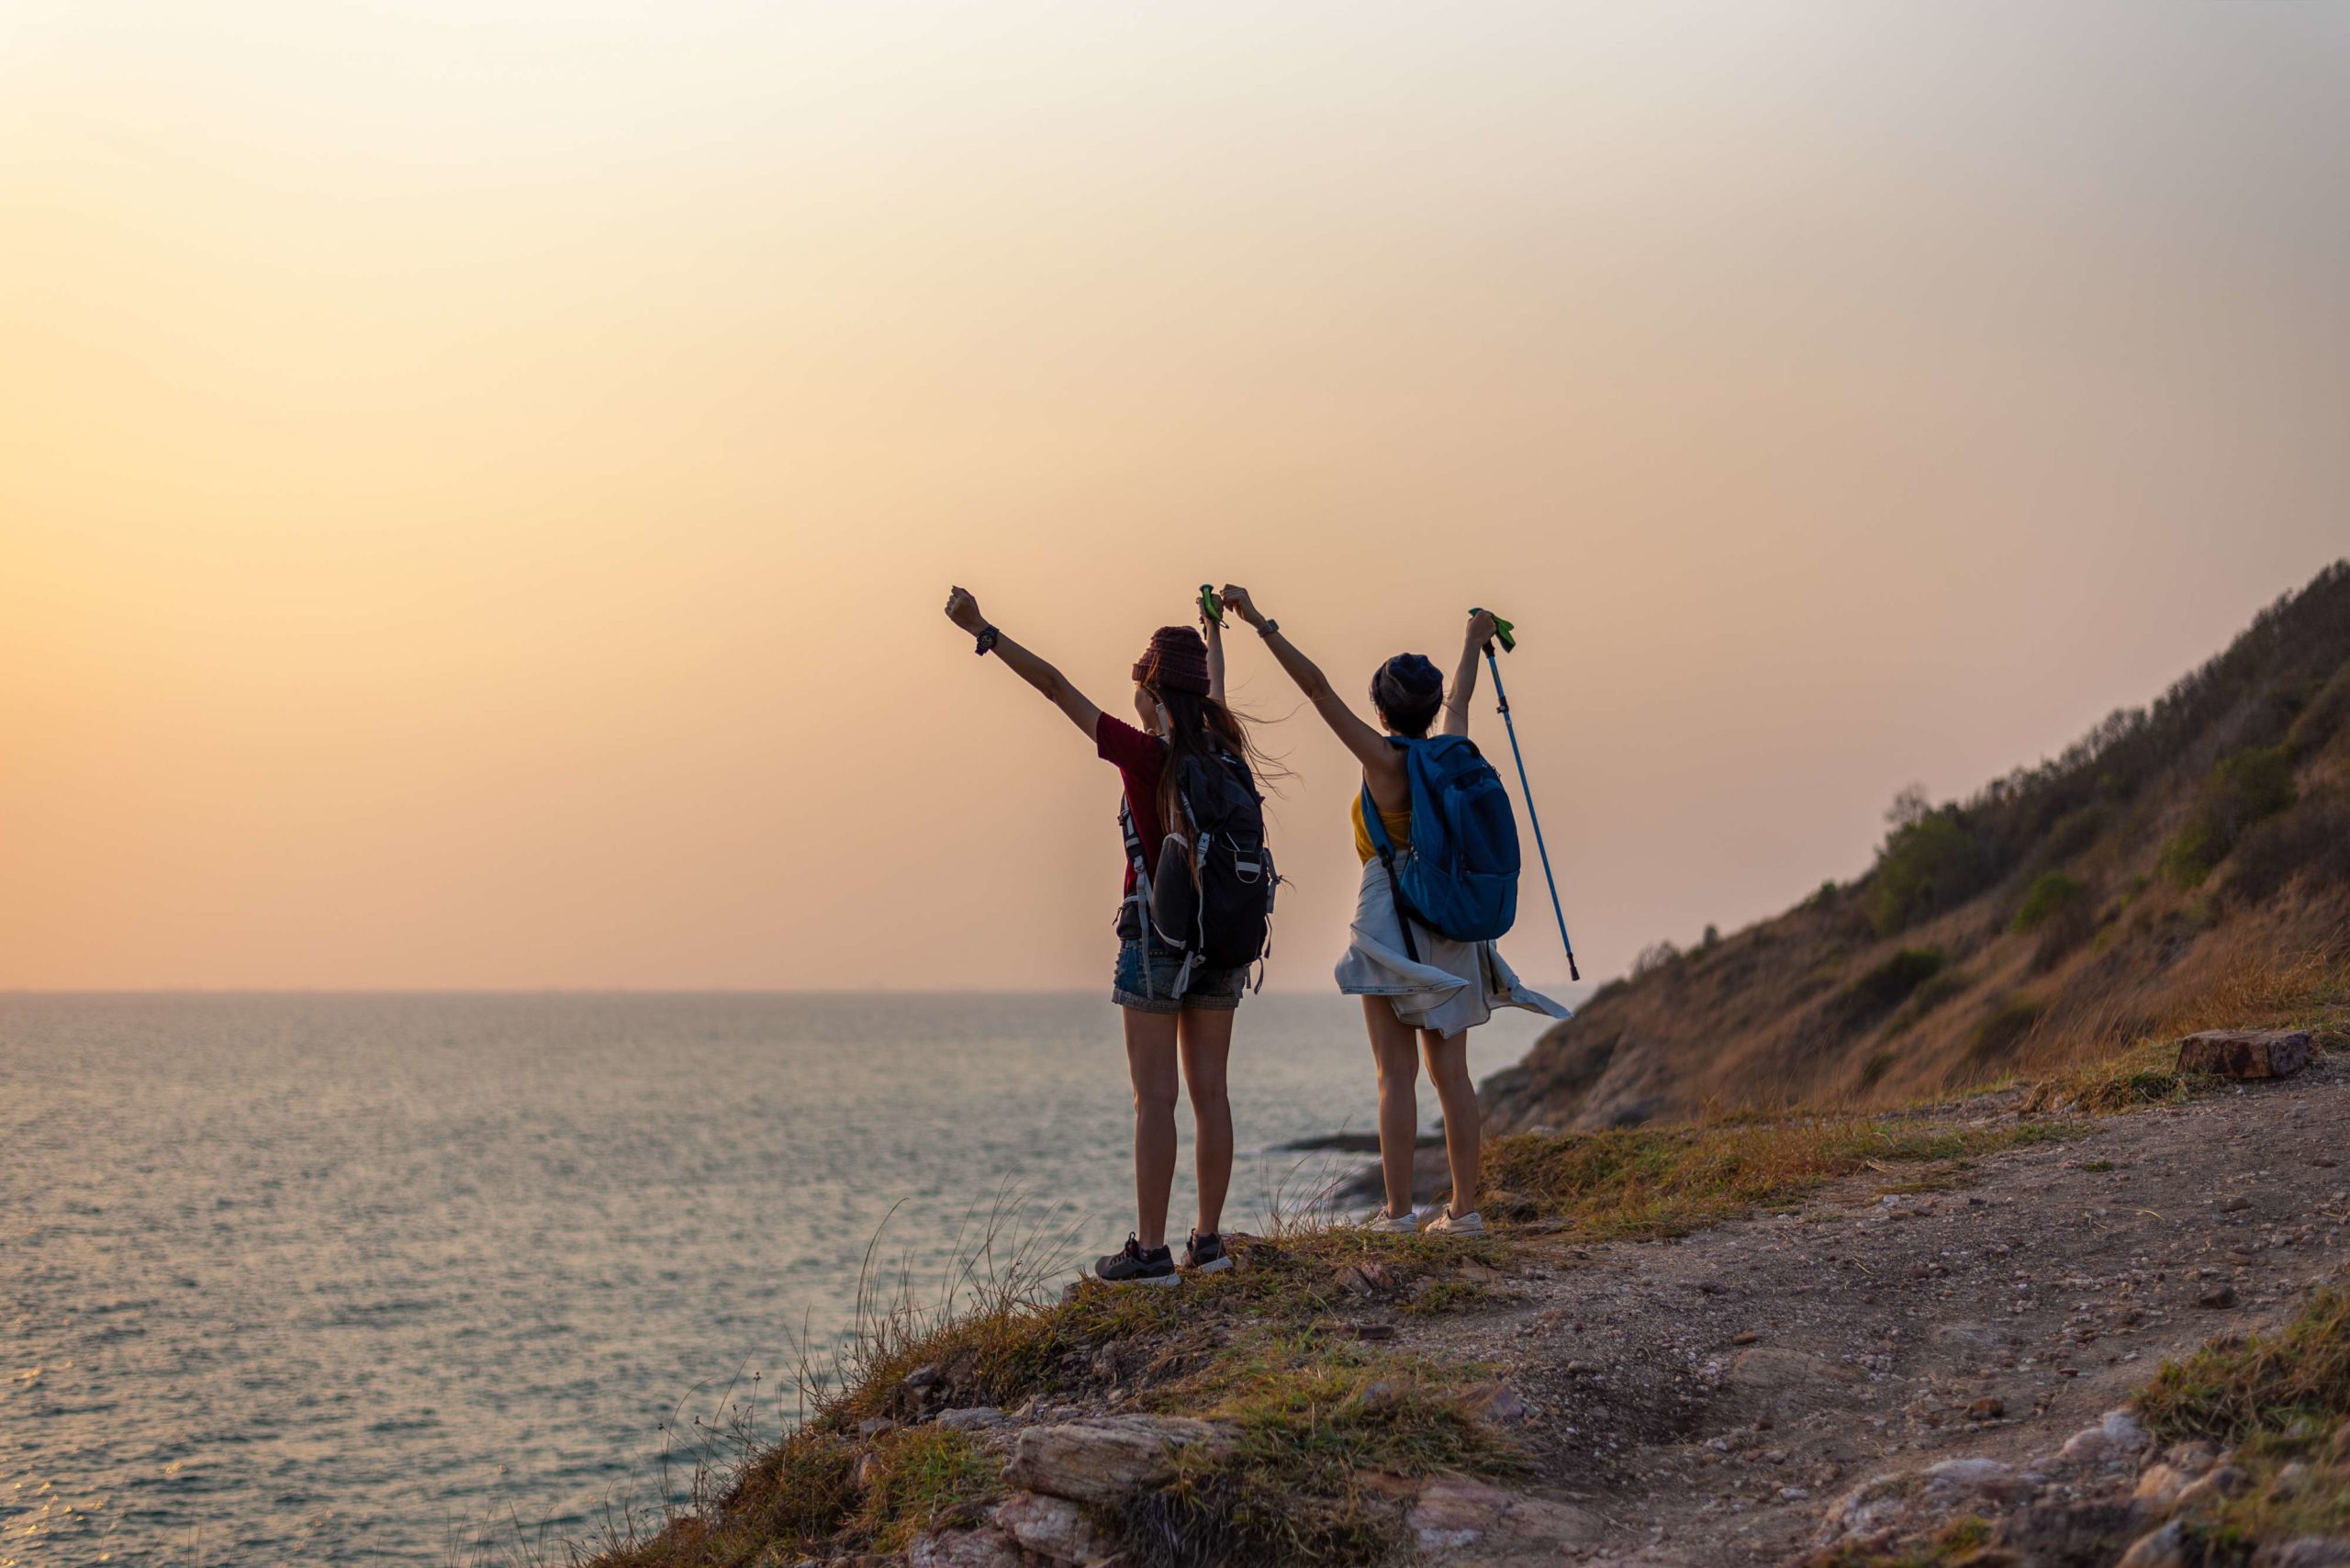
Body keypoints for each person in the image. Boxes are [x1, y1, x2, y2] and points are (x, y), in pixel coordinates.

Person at [942, 586, 1274, 1286]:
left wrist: (985, 630)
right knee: (1211, 1094)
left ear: (1151, 691)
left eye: (1140, 682)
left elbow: (1057, 687)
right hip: (1222, 942)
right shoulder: (1222, 748)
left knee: (1154, 1100)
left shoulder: (1146, 754)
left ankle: (1151, 1253)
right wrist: (1216, 632)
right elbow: (1209, 683)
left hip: (1156, 940)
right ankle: (1206, 1243)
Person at [1214, 585, 1567, 1237]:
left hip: (1392, 921)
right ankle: (1465, 1210)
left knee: (1394, 1075)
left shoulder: (1383, 761)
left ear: (1381, 707)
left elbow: (1318, 691)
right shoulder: (1450, 750)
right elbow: (1461, 699)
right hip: (1452, 919)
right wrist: (1473, 636)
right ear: (1430, 709)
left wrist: (1261, 622)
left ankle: (1399, 1213)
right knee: (1452, 1075)